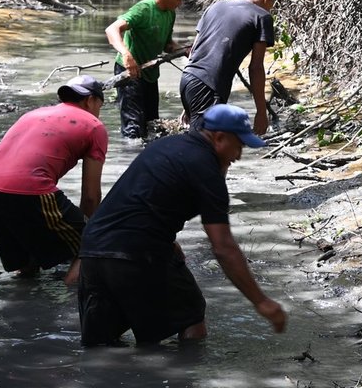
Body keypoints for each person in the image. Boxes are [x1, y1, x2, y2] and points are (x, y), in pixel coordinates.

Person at [76, 103, 287, 345]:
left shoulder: (167, 146)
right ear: (219, 138)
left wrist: (168, 240)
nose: (238, 156)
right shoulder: (207, 170)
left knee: (101, 345)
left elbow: (139, 202)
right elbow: (223, 247)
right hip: (136, 251)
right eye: (239, 145)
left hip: (93, 249)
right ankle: (186, 367)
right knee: (191, 317)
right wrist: (261, 301)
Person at [0, 74, 109, 285]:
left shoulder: (32, 114)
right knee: (94, 242)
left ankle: (21, 301)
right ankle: (73, 294)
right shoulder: (94, 125)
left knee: (27, 269)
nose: (99, 111)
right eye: (100, 105)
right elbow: (91, 197)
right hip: (29, 191)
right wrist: (85, 234)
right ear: (90, 100)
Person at [179, 0, 277, 133]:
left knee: (204, 140)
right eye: (271, 6)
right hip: (210, 86)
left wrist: (190, 102)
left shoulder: (216, 6)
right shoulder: (262, 16)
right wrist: (261, 111)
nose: (269, 10)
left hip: (188, 79)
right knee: (205, 143)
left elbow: (194, 51)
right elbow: (256, 67)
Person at [105, 0, 188, 141]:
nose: (180, 4)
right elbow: (111, 29)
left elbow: (167, 44)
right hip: (129, 71)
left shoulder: (170, 14)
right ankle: (128, 155)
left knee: (152, 124)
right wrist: (126, 54)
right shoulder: (143, 9)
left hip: (150, 72)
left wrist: (184, 50)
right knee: (133, 127)